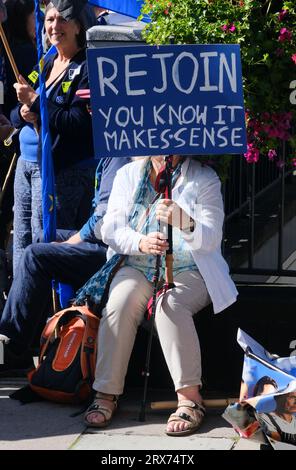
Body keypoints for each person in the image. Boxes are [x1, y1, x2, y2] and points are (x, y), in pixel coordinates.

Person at [80, 155, 238, 436]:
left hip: (191, 268)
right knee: (120, 301)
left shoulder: (204, 178)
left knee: (169, 304)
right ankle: (105, 393)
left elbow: (212, 238)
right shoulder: (128, 174)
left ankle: (190, 399)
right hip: (137, 264)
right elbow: (111, 229)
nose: (165, 150)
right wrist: (140, 242)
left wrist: (186, 222)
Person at [0, 156, 130, 373]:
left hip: (115, 252)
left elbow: (105, 222)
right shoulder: (112, 155)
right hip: (106, 239)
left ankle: (12, 347)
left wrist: (73, 241)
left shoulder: (120, 158)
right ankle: (27, 336)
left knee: (36, 255)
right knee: (43, 237)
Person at [10, 0, 97, 273]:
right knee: (22, 241)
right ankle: (21, 309)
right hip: (26, 163)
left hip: (61, 169)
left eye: (62, 19)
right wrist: (24, 112)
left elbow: (78, 122)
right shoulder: (46, 60)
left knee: (45, 243)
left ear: (78, 25)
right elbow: (17, 110)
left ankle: (53, 311)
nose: (54, 26)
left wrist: (36, 103)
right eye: (49, 20)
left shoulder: (86, 67)